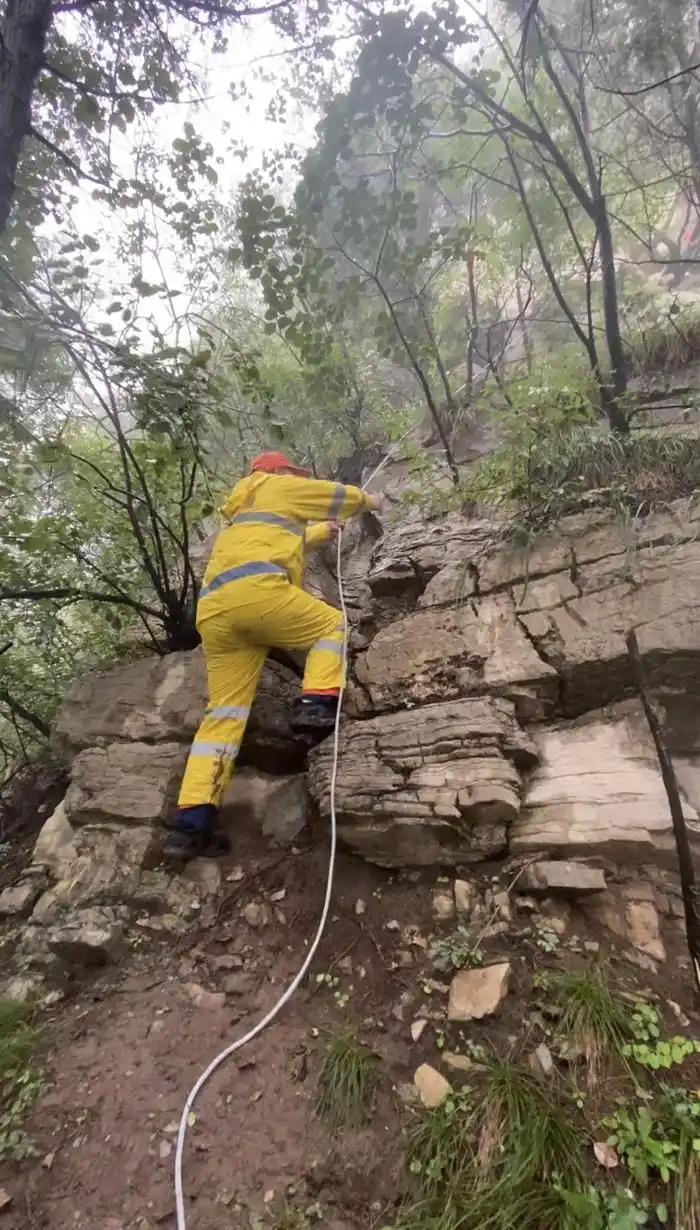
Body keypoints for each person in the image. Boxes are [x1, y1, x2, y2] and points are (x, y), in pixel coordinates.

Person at [163, 450, 381, 862]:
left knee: (223, 716)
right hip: (258, 594)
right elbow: (335, 495)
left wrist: (320, 532)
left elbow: (283, 536)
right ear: (277, 471)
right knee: (330, 627)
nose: (293, 476)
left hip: (215, 614)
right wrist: (369, 501)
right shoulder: (278, 486)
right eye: (290, 471)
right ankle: (316, 706)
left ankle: (189, 827)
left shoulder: (241, 515)